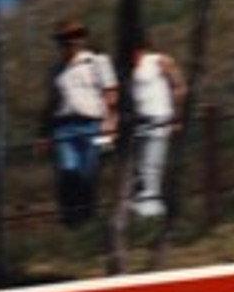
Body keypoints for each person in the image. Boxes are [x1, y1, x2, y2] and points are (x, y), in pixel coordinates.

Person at [39, 19, 119, 227]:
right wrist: (44, 133)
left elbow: (110, 95)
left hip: (93, 125)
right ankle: (71, 218)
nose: (71, 41)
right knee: (68, 170)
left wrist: (110, 125)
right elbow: (51, 103)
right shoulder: (56, 71)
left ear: (83, 38)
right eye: (66, 38)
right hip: (64, 127)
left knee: (88, 174)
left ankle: (87, 217)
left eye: (76, 36)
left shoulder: (97, 62)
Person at [130, 34, 187, 220]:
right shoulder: (126, 65)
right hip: (138, 121)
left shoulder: (159, 60)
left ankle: (152, 208)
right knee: (137, 165)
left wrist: (177, 116)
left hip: (159, 116)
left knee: (152, 163)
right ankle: (142, 206)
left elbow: (179, 87)